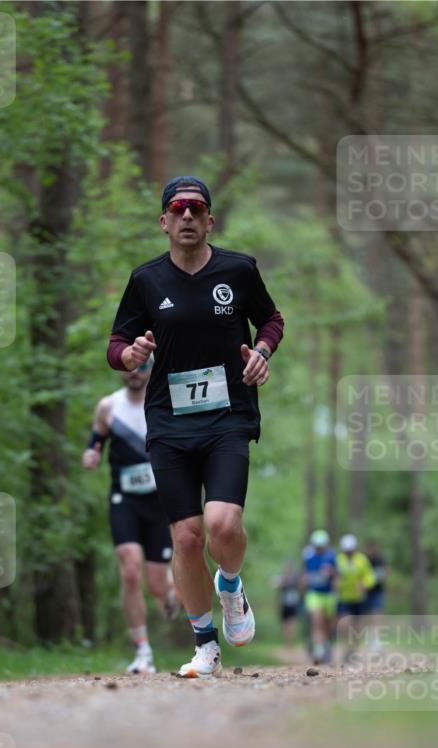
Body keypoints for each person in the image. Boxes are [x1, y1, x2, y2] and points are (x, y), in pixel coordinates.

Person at [107, 175, 284, 677]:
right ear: (163, 222)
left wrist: (263, 353)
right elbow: (115, 345)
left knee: (222, 526)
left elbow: (271, 320)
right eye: (177, 210)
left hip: (229, 415)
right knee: (185, 538)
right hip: (168, 420)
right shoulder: (146, 281)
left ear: (210, 220)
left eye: (197, 209)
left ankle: (230, 584)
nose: (187, 217)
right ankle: (205, 645)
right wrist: (130, 353)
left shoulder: (238, 269)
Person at [82, 362, 178, 674]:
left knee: (156, 585)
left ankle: (170, 589)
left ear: (153, 366)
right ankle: (143, 651)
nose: (134, 372)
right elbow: (96, 440)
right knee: (130, 568)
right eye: (127, 367)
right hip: (124, 499)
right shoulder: (108, 407)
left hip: (161, 501)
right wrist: (92, 453)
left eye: (142, 366)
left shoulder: (166, 400)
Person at [301, 529, 337, 665]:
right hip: (314, 594)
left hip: (328, 595)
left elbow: (337, 575)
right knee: (317, 620)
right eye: (317, 546)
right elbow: (305, 573)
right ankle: (318, 649)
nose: (319, 549)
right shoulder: (309, 557)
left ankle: (326, 645)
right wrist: (304, 582)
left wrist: (332, 574)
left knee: (327, 624)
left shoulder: (331, 557)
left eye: (321, 546)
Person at [336, 534, 376, 618]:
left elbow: (370, 576)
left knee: (357, 624)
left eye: (350, 551)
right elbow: (334, 575)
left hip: (358, 598)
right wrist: (335, 581)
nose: (349, 553)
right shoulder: (339, 559)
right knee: (344, 622)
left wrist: (365, 584)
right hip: (344, 597)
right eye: (346, 551)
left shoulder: (362, 559)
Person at [273, 557, 303, 647]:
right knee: (285, 623)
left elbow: (301, 587)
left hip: (293, 603)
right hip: (284, 603)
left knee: (291, 622)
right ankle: (288, 641)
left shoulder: (295, 578)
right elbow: (274, 585)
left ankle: (290, 642)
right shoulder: (282, 577)